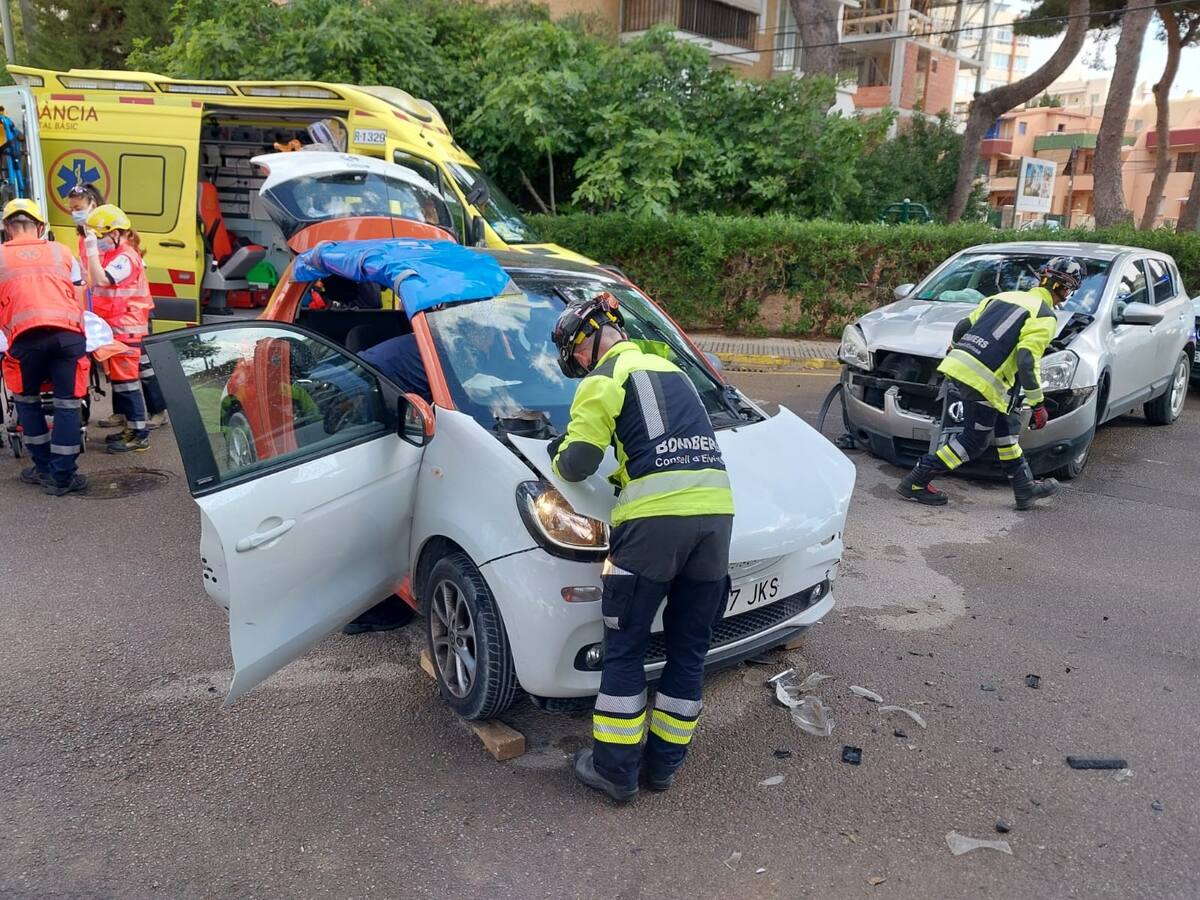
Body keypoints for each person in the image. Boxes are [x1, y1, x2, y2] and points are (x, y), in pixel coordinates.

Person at [548, 293, 735, 803]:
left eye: (576, 355)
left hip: (653, 527)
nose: (579, 364)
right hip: (717, 520)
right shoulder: (674, 371)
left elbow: (577, 464)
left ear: (584, 345)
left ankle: (615, 771)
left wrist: (559, 449)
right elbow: (664, 446)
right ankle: (663, 765)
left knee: (626, 647)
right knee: (689, 651)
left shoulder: (603, 378)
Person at [896, 256, 1082, 510]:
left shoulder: (1003, 297)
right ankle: (917, 480)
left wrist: (956, 348)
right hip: (984, 380)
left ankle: (1024, 488)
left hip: (961, 367)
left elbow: (962, 327)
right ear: (1066, 289)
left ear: (1042, 278)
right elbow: (1026, 359)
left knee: (1005, 430)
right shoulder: (1045, 315)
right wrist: (1038, 404)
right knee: (974, 441)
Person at [0, 199, 89, 495]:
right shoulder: (61, 252)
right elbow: (79, 296)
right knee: (66, 404)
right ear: (40, 227)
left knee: (27, 402)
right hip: (67, 336)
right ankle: (62, 477)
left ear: (7, 228)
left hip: (25, 340)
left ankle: (42, 468)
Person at [68, 184, 167, 430]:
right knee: (116, 366)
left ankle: (155, 411)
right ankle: (123, 413)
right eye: (72, 209)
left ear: (93, 204)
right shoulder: (87, 237)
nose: (75, 213)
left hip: (131, 314)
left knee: (140, 366)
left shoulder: (111, 236)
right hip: (110, 312)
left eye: (78, 208)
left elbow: (106, 276)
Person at [83, 204, 155, 453]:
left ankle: (140, 434)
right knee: (121, 383)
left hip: (127, 327)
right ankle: (132, 429)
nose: (97, 241)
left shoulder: (126, 258)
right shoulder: (117, 255)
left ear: (114, 233)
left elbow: (101, 279)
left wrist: (91, 250)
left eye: (99, 236)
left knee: (128, 383)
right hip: (117, 328)